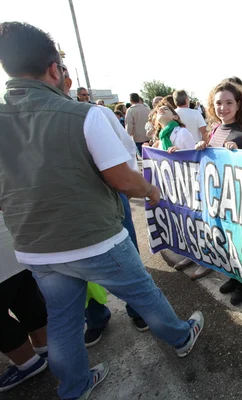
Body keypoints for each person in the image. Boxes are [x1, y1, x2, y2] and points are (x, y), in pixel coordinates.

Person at [0, 22, 204, 400]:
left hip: (36, 248)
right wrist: (152, 191)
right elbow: (123, 180)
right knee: (145, 295)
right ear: (54, 69)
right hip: (95, 240)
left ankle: (74, 387)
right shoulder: (83, 115)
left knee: (62, 321)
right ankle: (181, 336)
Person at [61, 65, 149, 346]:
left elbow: (124, 154)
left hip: (108, 200)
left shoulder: (94, 115)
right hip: (63, 213)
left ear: (65, 81)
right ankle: (96, 317)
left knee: (128, 256)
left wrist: (140, 187)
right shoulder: (21, 121)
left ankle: (139, 309)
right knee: (76, 271)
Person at [195, 80, 242, 304]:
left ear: (238, 104)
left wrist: (239, 152)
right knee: (226, 241)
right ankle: (234, 276)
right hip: (219, 196)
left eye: (228, 103)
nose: (223, 108)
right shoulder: (215, 128)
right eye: (218, 103)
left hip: (240, 199)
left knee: (241, 243)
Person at [0, 210, 49, 392]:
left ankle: (27, 362)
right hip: (13, 241)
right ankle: (43, 346)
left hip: (12, 241)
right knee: (25, 297)